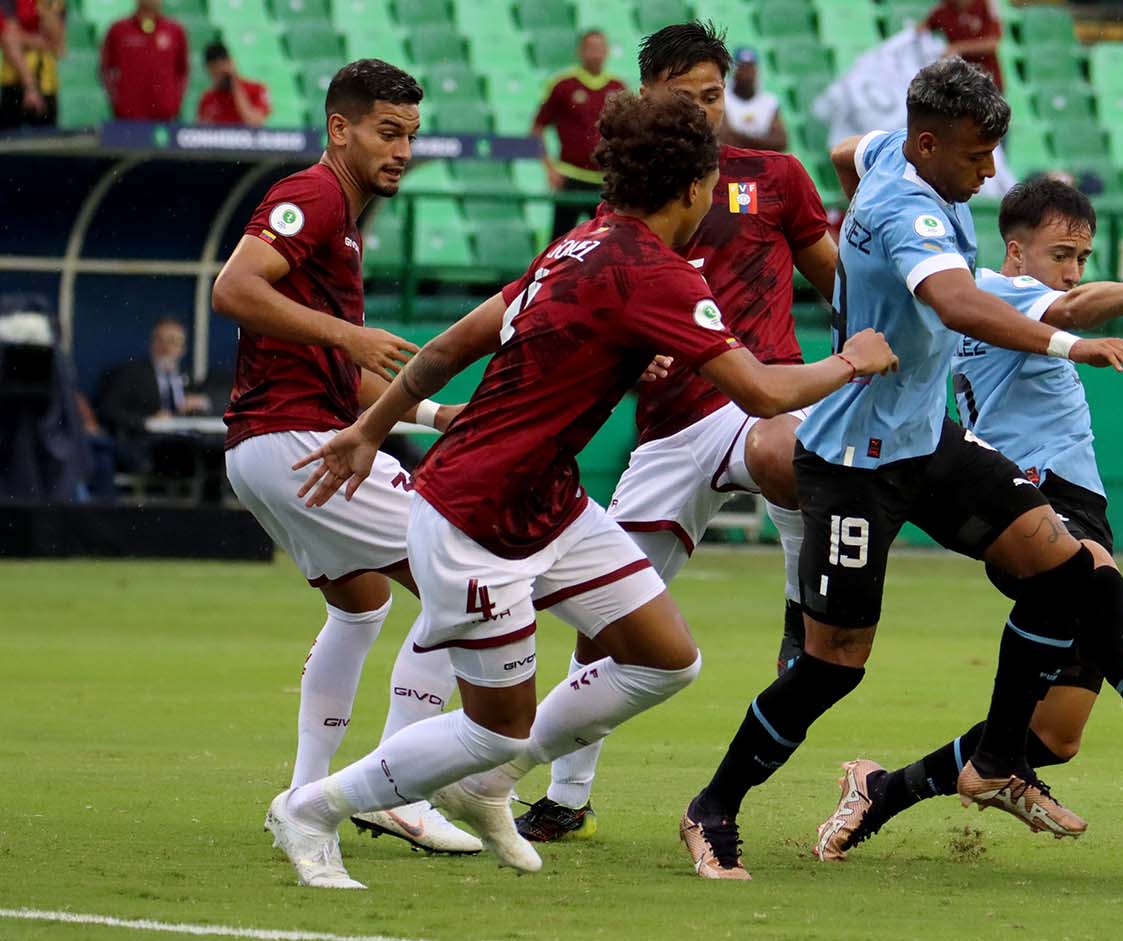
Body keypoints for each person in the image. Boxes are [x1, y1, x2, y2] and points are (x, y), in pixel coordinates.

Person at [265, 90, 899, 890]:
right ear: (693, 189)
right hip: (476, 516)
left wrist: (369, 428)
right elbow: (764, 393)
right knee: (498, 726)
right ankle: (315, 807)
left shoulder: (581, 244)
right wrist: (855, 357)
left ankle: (484, 783)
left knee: (666, 660)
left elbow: (452, 345)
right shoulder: (658, 272)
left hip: (549, 504)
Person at [678, 58, 1123, 881]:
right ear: (928, 143)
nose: (990, 171)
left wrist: (847, 275)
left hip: (926, 441)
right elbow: (959, 303)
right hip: (851, 463)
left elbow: (840, 153)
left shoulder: (886, 155)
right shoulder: (909, 208)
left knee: (1064, 570)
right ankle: (712, 807)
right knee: (833, 668)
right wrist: (1073, 343)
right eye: (976, 156)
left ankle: (997, 757)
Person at [813, 178, 1123, 862]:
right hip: (1036, 500)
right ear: (1015, 251)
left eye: (1082, 255)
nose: (1073, 270)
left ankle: (881, 789)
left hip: (1073, 500)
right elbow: (1078, 307)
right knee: (1099, 581)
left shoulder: (994, 305)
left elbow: (855, 163)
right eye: (1062, 253)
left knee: (1054, 737)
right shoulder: (997, 291)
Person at [513, 20, 836, 844]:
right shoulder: (628, 200)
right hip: (668, 426)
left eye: (714, 94)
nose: (705, 111)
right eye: (687, 96)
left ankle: (802, 617)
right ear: (649, 96)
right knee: (607, 624)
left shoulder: (776, 177)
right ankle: (567, 793)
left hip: (759, 393)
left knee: (779, 447)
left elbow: (839, 282)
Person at [210, 58, 479, 860]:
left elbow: (342, 370)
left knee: (361, 606)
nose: (401, 150)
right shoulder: (315, 196)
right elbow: (233, 287)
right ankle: (401, 791)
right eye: (387, 133)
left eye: (411, 136)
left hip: (271, 448)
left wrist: (431, 414)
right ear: (341, 129)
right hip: (297, 443)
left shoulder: (344, 220)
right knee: (464, 577)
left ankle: (304, 791)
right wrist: (345, 332)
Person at [532, 28, 626, 240]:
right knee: (560, 244)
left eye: (600, 48)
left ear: (607, 51)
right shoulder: (563, 85)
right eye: (590, 48)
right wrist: (549, 168)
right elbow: (537, 128)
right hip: (570, 177)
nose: (596, 53)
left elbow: (627, 134)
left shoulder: (617, 87)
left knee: (607, 243)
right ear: (580, 51)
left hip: (605, 182)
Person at [95, 317, 212, 473]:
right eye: (160, 339)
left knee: (211, 455)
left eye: (173, 341)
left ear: (182, 349)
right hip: (146, 445)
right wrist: (146, 421)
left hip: (181, 444)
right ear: (152, 343)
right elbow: (108, 410)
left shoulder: (185, 378)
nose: (166, 347)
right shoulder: (133, 374)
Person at [99, 0, 187, 121]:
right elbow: (105, 69)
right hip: (127, 117)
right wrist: (118, 102)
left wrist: (174, 102)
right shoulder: (118, 30)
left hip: (165, 117)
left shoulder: (175, 31)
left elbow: (182, 71)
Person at [0, 0, 63, 129]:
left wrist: (21, 38)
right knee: (10, 143)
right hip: (14, 83)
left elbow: (58, 46)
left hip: (46, 83)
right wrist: (31, 87)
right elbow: (8, 38)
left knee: (47, 143)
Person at [922, 0, 1002, 92]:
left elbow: (992, 43)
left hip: (988, 82)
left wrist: (958, 47)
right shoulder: (943, 10)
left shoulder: (986, 4)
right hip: (962, 86)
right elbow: (919, 31)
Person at [719, 46, 785, 152]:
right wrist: (763, 141)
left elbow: (781, 142)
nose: (747, 73)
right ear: (734, 71)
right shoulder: (722, 98)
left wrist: (738, 137)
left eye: (750, 67)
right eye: (742, 67)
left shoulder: (769, 102)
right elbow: (725, 139)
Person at [196, 41, 269, 127]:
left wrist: (234, 85)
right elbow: (201, 131)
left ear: (231, 62)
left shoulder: (256, 89)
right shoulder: (208, 98)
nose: (220, 73)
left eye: (223, 65)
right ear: (209, 70)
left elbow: (254, 122)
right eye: (215, 69)